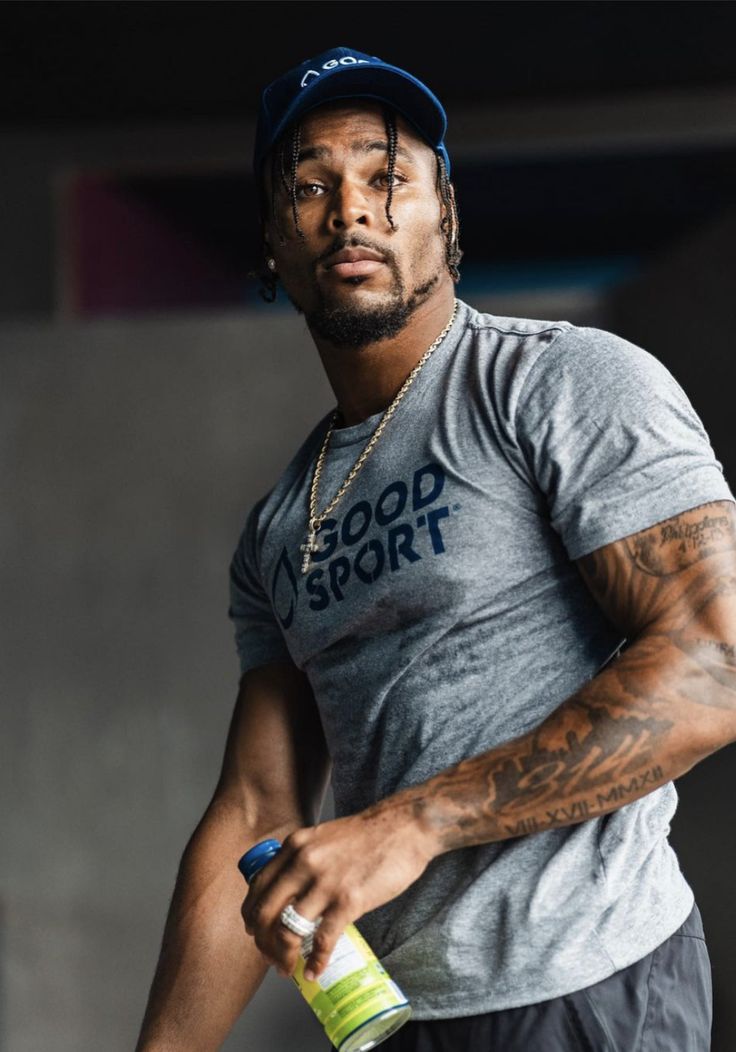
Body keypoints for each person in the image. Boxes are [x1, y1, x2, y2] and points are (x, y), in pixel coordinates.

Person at [136, 47, 736, 1051]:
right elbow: (255, 810)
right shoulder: (281, 524)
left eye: (386, 176)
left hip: (591, 988)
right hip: (405, 1018)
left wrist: (411, 822)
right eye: (310, 185)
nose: (350, 210)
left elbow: (715, 663)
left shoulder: (560, 385)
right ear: (273, 241)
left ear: (442, 213)